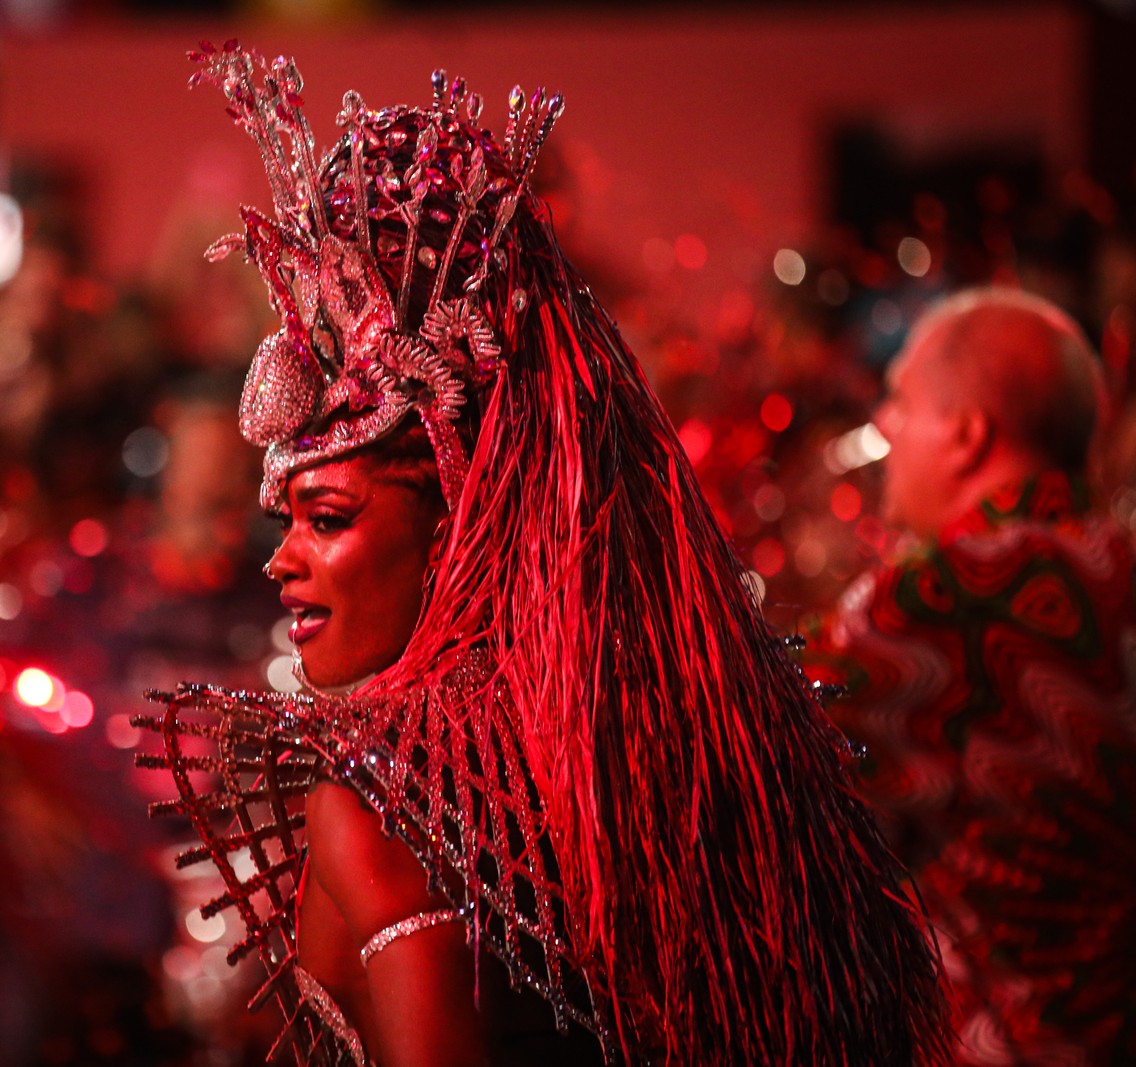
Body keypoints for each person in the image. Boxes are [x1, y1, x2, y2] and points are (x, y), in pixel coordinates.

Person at [143, 42, 951, 1066]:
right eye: (283, 520)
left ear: (456, 529)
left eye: (329, 517)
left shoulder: (376, 797)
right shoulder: (649, 744)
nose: (282, 559)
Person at [804, 288, 1136, 1065]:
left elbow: (758, 788)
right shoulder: (1121, 569)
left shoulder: (935, 602)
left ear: (967, 433)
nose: (884, 424)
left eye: (902, 399)